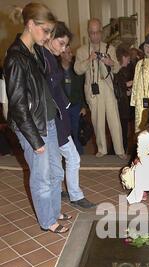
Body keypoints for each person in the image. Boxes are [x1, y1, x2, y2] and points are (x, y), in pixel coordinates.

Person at [4, 3, 70, 234]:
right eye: (45, 30)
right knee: (41, 177)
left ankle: (53, 210)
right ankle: (47, 221)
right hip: (33, 126)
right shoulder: (15, 58)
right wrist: (34, 139)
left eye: (50, 32)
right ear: (30, 25)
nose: (49, 36)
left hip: (47, 120)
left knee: (56, 171)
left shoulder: (35, 51)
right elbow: (18, 105)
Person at [44, 22, 95, 209]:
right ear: (50, 37)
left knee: (58, 159)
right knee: (72, 157)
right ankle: (75, 195)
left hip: (58, 117)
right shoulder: (45, 59)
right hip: (54, 119)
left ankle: (60, 191)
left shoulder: (49, 58)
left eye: (66, 45)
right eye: (62, 43)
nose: (64, 49)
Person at [74, 18, 126, 159]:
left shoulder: (110, 48)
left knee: (114, 120)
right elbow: (77, 70)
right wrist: (89, 59)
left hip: (108, 89)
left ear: (101, 32)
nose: (95, 36)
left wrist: (110, 62)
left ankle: (119, 149)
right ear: (88, 33)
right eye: (92, 33)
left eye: (97, 32)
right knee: (97, 121)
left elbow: (116, 69)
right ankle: (101, 149)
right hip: (93, 90)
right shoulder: (81, 51)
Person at [60, 45, 86, 155]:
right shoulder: (56, 70)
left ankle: (79, 153)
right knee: (65, 132)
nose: (71, 55)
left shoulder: (75, 69)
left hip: (75, 105)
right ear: (62, 54)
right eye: (68, 52)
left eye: (71, 52)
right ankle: (67, 154)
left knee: (76, 130)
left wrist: (83, 106)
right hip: (62, 107)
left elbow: (81, 89)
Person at [114, 46, 133, 154]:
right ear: (123, 57)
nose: (129, 60)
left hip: (122, 105)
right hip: (120, 106)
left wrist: (126, 90)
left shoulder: (120, 70)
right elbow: (119, 87)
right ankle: (121, 152)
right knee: (122, 131)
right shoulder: (118, 71)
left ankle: (121, 151)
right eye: (127, 58)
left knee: (122, 130)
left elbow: (121, 87)